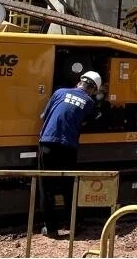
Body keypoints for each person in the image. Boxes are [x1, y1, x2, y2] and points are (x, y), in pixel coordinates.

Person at [38, 70, 101, 236]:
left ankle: (50, 229)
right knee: (69, 186)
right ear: (93, 90)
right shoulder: (89, 102)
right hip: (68, 146)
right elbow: (92, 121)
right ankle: (74, 226)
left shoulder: (59, 92)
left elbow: (44, 116)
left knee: (46, 187)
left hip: (48, 142)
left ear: (79, 81)